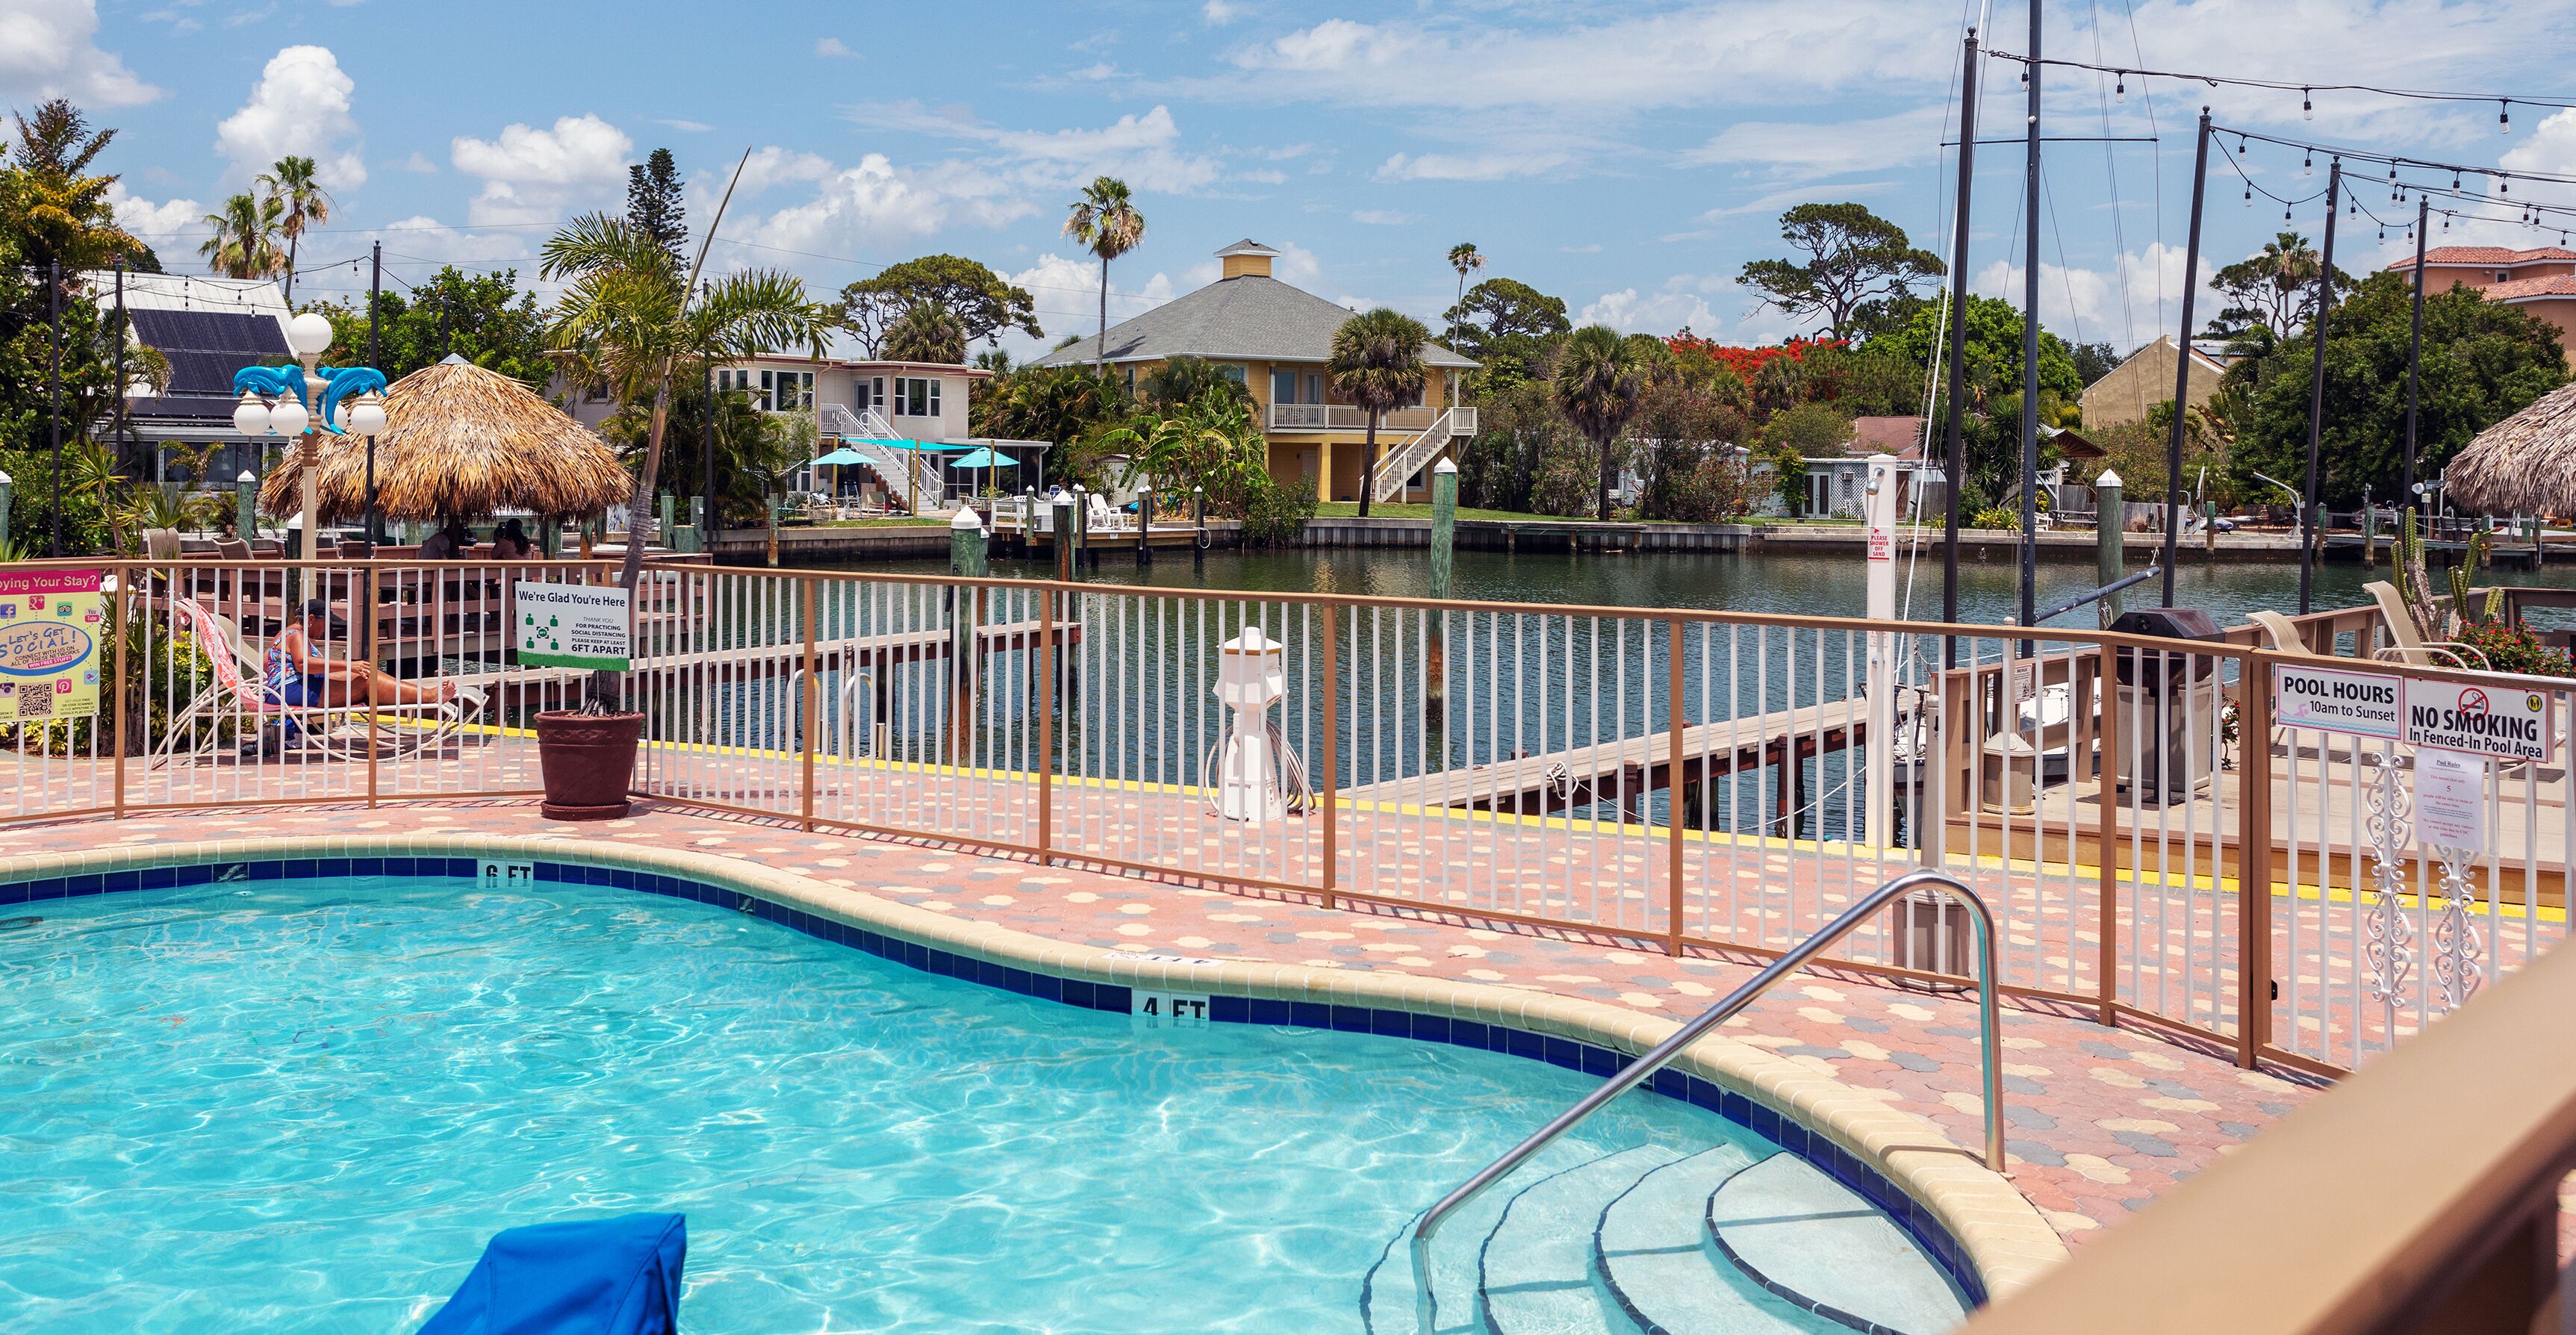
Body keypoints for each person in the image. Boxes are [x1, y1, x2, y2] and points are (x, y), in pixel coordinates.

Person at [264, 599, 474, 712]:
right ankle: (429, 696)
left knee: (365, 673)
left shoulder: (285, 634)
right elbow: (302, 664)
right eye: (325, 622)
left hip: (287, 689)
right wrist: (349, 666)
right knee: (366, 680)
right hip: (292, 691)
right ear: (311, 619)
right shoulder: (297, 635)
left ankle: (427, 694)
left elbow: (267, 662)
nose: (326, 628)